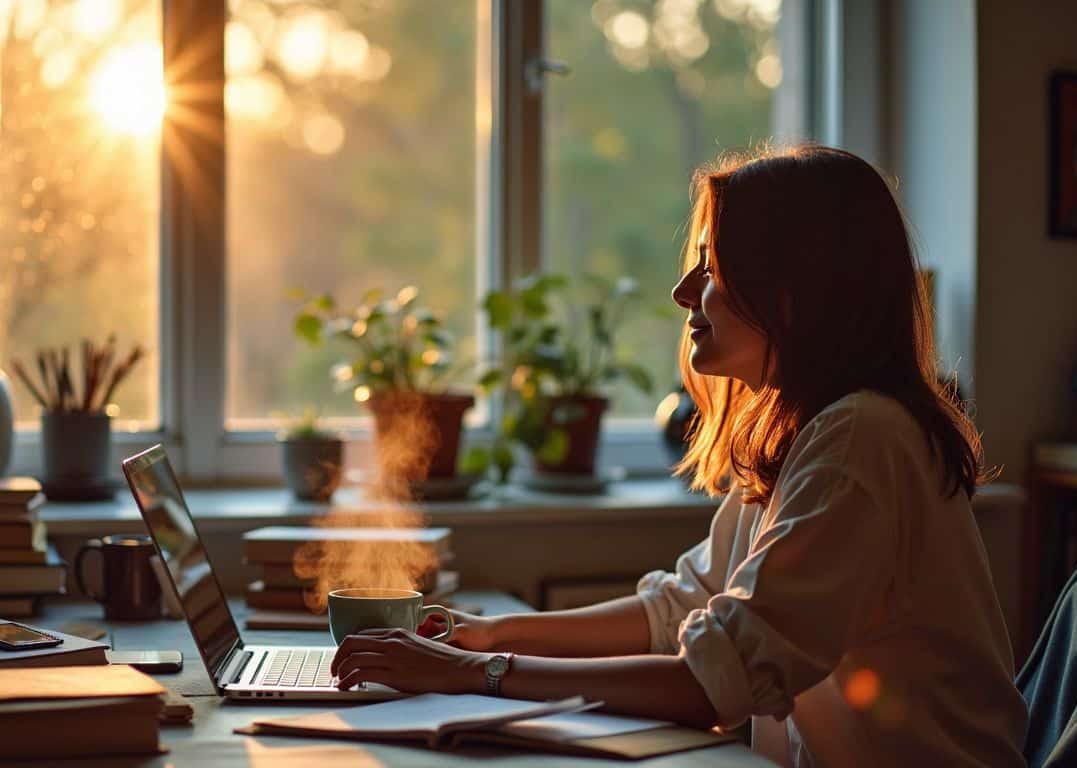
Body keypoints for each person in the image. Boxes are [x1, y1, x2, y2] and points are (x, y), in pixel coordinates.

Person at [330, 145, 1028, 767]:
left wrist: (472, 675)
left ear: (794, 288)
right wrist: (484, 636)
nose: (682, 293)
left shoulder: (860, 439)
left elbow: (706, 684)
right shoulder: (812, 432)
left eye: (713, 267)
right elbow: (681, 609)